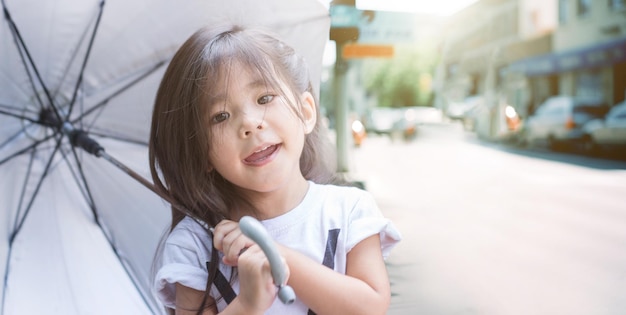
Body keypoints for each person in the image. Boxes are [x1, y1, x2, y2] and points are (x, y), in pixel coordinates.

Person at [149, 24, 401, 315]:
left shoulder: (348, 211)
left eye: (264, 99)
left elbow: (370, 307)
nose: (250, 123)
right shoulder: (195, 246)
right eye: (220, 116)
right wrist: (247, 305)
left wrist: (278, 254)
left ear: (306, 112)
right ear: (201, 154)